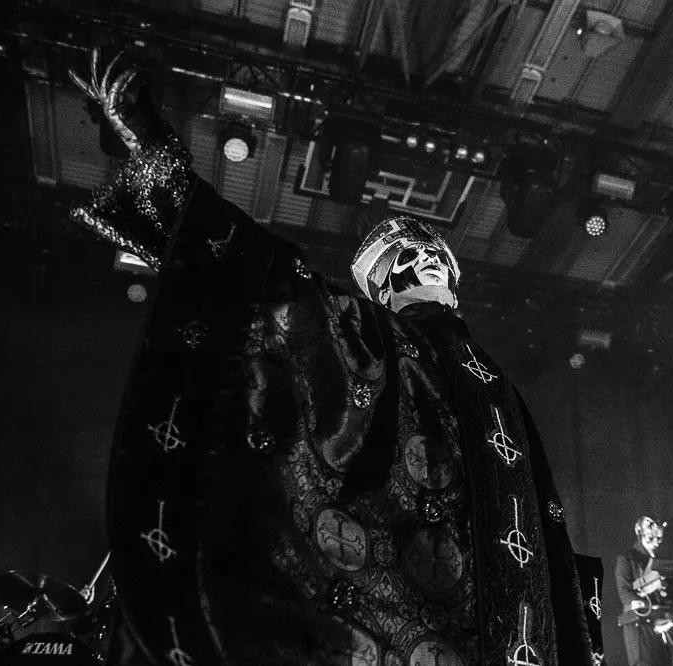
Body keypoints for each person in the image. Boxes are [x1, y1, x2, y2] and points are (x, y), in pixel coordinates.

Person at [68, 48, 593, 666]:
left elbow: (548, 547)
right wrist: (161, 168)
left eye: (433, 256)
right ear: (382, 288)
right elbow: (263, 287)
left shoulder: (489, 385)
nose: (424, 260)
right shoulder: (382, 344)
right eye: (407, 257)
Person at [614, 516, 673, 666]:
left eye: (659, 538)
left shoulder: (661, 560)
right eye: (651, 537)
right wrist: (642, 601)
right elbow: (624, 593)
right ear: (640, 533)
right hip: (639, 624)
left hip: (660, 620)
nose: (656, 542)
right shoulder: (626, 559)